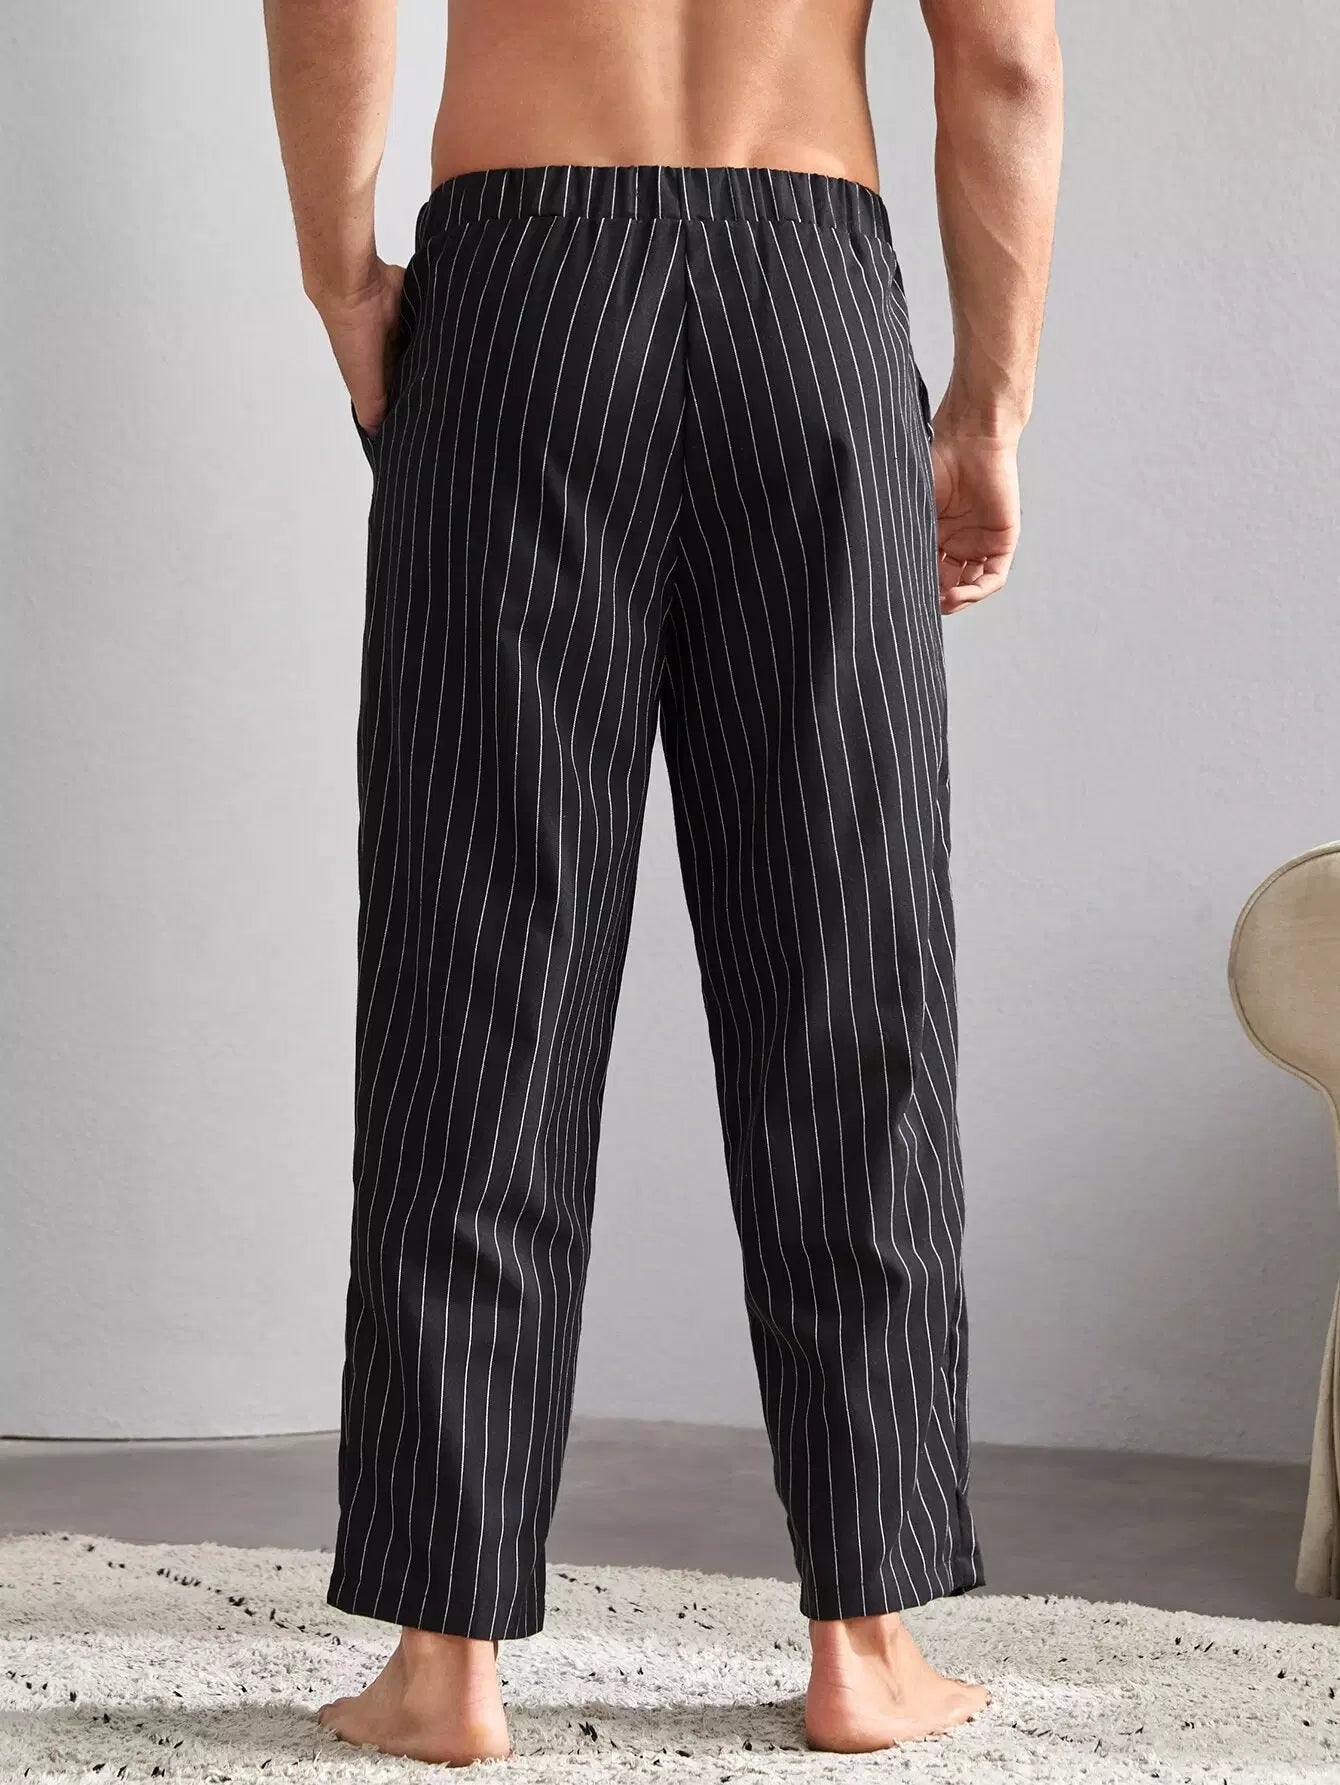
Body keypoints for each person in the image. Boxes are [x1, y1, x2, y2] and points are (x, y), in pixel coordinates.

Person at [263, 0, 1062, 1761]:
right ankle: (868, 1637)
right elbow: (1003, 55)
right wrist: (987, 407)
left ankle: (444, 1652)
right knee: (849, 983)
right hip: (810, 297)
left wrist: (345, 278)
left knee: (481, 970)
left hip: (522, 289)